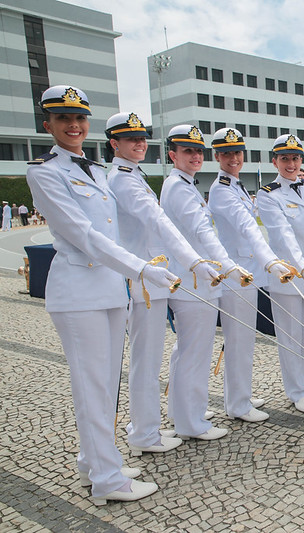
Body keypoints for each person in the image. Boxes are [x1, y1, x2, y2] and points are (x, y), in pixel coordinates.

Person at [26, 85, 178, 504]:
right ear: (48, 124)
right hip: (79, 292)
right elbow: (83, 235)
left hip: (111, 290)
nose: (73, 126)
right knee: (92, 387)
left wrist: (134, 273)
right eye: (63, 119)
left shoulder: (93, 170)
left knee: (107, 384)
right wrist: (142, 268)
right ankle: (108, 482)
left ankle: (95, 461)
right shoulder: (43, 172)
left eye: (79, 119)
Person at [106, 112, 217, 457]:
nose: (139, 145)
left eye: (141, 139)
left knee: (150, 360)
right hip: (142, 282)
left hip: (151, 282)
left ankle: (146, 427)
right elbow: (157, 221)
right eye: (131, 140)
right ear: (115, 144)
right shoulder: (124, 178)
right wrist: (195, 260)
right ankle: (144, 434)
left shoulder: (134, 175)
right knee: (145, 360)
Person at [159, 124, 247, 441]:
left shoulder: (184, 184)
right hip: (195, 284)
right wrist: (229, 264)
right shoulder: (179, 188)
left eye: (198, 150)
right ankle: (191, 422)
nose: (195, 156)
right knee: (194, 354)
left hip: (196, 282)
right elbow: (202, 232)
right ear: (173, 154)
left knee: (186, 352)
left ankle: (182, 410)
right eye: (188, 151)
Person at [207, 128, 291, 423]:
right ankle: (238, 405)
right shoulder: (220, 190)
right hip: (235, 276)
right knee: (238, 340)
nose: (233, 158)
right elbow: (247, 225)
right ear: (217, 156)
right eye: (227, 153)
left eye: (237, 152)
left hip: (247, 274)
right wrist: (271, 260)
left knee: (243, 340)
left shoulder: (236, 186)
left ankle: (239, 395)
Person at [257, 134, 304, 413]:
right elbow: (283, 235)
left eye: (295, 158)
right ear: (275, 161)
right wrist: (303, 267)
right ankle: (295, 390)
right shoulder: (268, 194)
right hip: (289, 275)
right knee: (290, 334)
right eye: (284, 158)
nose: (290, 163)